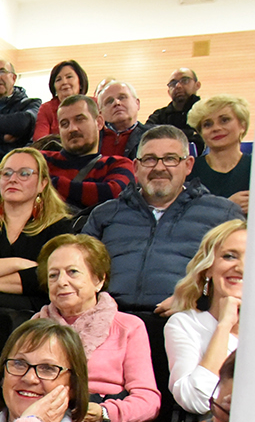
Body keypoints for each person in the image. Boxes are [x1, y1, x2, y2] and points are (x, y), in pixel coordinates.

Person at [32, 235, 160, 422]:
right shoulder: (33, 327)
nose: (61, 282)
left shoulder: (128, 326)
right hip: (43, 421)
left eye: (72, 272)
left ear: (99, 280)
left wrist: (104, 413)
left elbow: (148, 401)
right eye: (53, 275)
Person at [83, 127, 243, 311]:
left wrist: (191, 298)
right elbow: (78, 267)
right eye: (149, 159)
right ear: (136, 167)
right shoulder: (105, 213)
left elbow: (241, 273)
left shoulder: (223, 214)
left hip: (189, 317)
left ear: (188, 165)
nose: (159, 168)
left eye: (170, 159)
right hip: (111, 319)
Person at [0, 147, 75, 340]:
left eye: (24, 173)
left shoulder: (59, 229)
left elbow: (45, 279)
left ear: (42, 184)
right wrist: (18, 263)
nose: (13, 179)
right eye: (6, 173)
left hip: (32, 322)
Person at [165, 219, 244, 414]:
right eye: (229, 256)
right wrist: (224, 326)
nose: (241, 267)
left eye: (254, 259)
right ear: (208, 267)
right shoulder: (185, 324)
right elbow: (197, 401)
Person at [43, 96, 137, 213]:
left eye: (79, 119)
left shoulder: (118, 164)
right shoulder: (41, 160)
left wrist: (50, 184)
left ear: (99, 122)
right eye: (64, 124)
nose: (72, 129)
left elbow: (114, 195)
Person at [187, 94, 253, 213]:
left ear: (242, 125)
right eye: (207, 124)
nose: (216, 128)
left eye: (224, 120)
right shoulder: (188, 170)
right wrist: (226, 206)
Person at [147, 67, 204, 151]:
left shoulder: (206, 111)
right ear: (168, 91)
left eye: (185, 80)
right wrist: (190, 134)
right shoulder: (159, 115)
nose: (178, 86)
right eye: (173, 83)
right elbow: (147, 135)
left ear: (197, 85)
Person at [33, 58, 89, 141]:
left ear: (80, 82)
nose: (64, 82)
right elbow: (40, 140)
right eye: (58, 79)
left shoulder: (93, 104)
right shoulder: (46, 109)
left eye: (69, 77)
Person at [96, 79, 145, 159]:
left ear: (137, 103)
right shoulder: (92, 139)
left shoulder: (153, 136)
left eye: (122, 97)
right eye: (109, 101)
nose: (116, 103)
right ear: (100, 113)